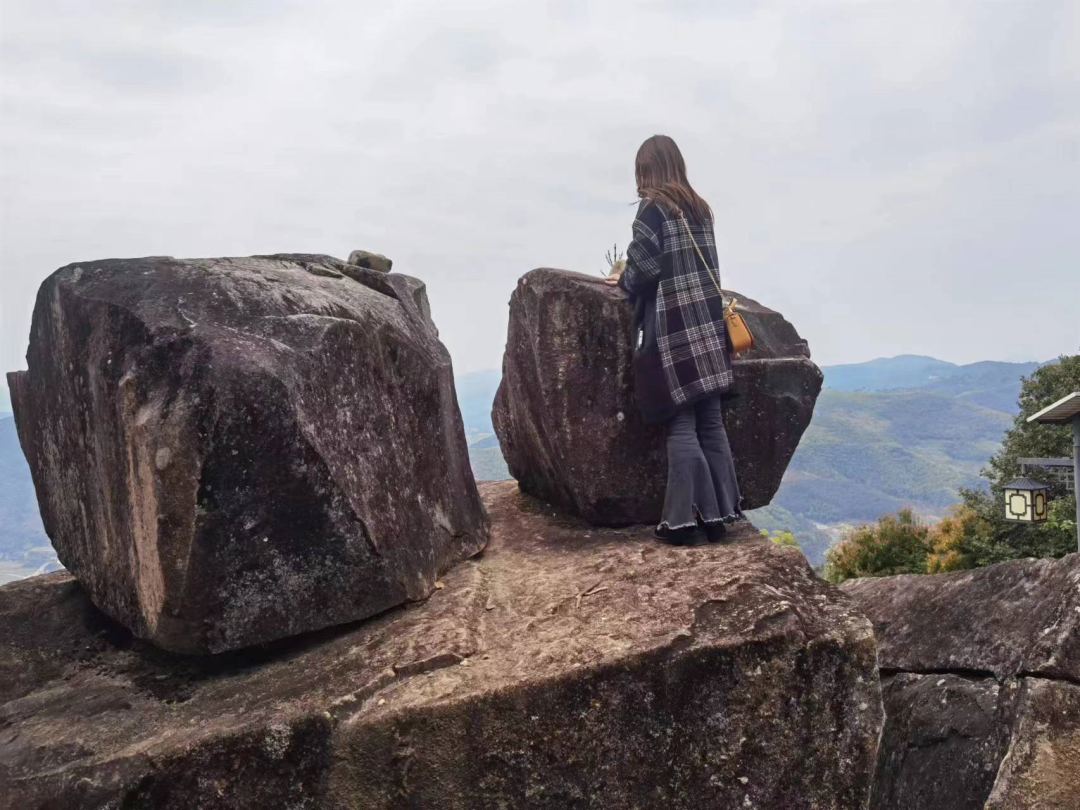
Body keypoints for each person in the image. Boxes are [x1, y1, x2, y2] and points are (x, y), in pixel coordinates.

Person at [606, 134, 743, 545]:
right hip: (709, 325)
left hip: (676, 328)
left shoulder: (654, 210)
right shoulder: (701, 209)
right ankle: (719, 516)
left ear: (647, 170)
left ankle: (682, 522)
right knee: (712, 423)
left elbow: (644, 269)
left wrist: (621, 278)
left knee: (680, 425)